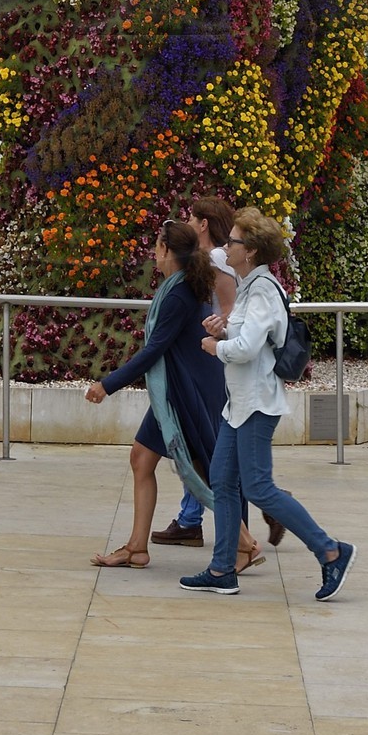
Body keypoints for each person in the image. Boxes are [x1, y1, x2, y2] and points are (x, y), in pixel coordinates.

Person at [180, 208, 354, 601]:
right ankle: (222, 569)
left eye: (234, 241)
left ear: (252, 250)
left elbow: (246, 349)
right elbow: (247, 334)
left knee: (258, 487)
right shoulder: (249, 287)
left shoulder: (260, 290)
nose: (227, 246)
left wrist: (215, 346)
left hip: (257, 405)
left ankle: (330, 551)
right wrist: (223, 326)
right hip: (239, 405)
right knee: (223, 481)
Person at [86, 221, 260, 573]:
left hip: (187, 395)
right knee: (142, 459)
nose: (153, 252)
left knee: (203, 472)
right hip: (179, 391)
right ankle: (137, 548)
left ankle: (246, 545)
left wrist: (107, 385)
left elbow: (153, 352)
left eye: (156, 245)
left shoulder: (178, 295)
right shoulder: (180, 287)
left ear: (166, 250)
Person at [151, 197, 237, 548]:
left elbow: (229, 307)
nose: (187, 220)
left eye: (191, 216)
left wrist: (216, 334)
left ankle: (262, 501)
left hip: (208, 360)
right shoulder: (206, 262)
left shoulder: (215, 259)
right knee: (200, 448)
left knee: (204, 450)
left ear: (203, 224)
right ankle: (190, 518)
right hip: (210, 357)